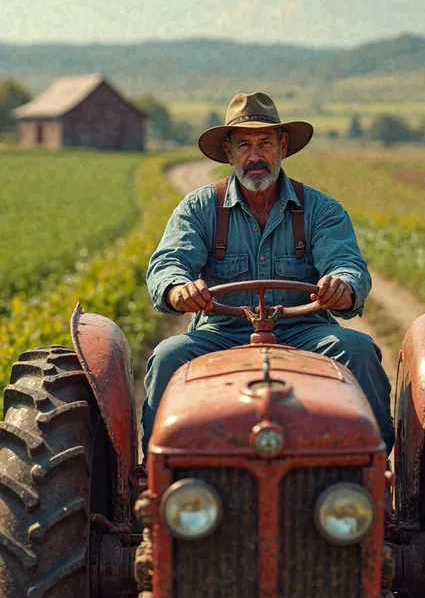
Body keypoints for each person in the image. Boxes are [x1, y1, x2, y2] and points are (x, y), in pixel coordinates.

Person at [142, 91, 394, 453]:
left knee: (358, 349)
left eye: (265, 143)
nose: (255, 156)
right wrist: (178, 287)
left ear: (283, 146)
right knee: (168, 356)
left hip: (306, 331)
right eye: (244, 145)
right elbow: (168, 263)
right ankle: (156, 476)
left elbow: (347, 263)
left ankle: (377, 470)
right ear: (228, 153)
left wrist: (343, 285)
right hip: (222, 332)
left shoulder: (320, 209)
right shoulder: (200, 207)